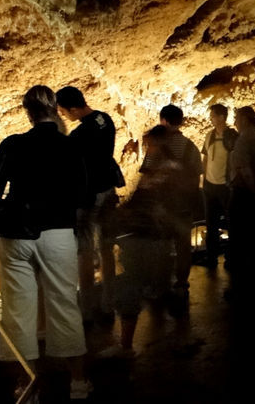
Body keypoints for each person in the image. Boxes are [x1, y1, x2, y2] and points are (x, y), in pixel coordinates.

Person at [0, 85, 91, 400]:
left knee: (18, 312)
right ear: (55, 110)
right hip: (57, 233)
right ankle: (79, 382)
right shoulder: (69, 147)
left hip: (16, 235)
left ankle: (25, 385)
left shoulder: (13, 145)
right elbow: (82, 193)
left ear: (27, 112)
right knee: (64, 305)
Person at [101, 126, 175, 359]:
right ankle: (160, 345)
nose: (147, 148)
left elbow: (149, 203)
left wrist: (123, 216)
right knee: (145, 286)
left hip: (146, 237)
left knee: (129, 288)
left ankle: (125, 346)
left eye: (150, 144)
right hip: (152, 236)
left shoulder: (163, 171)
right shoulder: (163, 168)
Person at [56, 86, 122, 323]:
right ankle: (109, 302)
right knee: (106, 248)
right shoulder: (105, 119)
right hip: (108, 190)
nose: (65, 116)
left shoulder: (79, 136)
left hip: (88, 197)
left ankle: (87, 308)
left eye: (64, 112)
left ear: (73, 108)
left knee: (83, 252)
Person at [141, 104, 203, 305]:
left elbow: (148, 173)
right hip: (184, 204)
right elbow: (197, 175)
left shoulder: (157, 144)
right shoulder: (190, 145)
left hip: (162, 205)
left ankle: (160, 287)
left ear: (164, 121)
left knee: (161, 246)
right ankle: (181, 285)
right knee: (183, 246)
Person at [227, 106, 255, 297]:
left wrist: (254, 193)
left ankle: (240, 287)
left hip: (244, 195)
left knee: (239, 240)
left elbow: (245, 170)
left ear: (244, 119)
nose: (234, 123)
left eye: (236, 118)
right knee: (254, 240)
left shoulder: (244, 140)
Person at [201, 104, 238, 268]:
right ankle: (211, 257)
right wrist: (203, 181)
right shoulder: (209, 135)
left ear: (222, 117)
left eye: (214, 115)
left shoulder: (232, 136)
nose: (211, 118)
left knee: (231, 224)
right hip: (210, 186)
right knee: (211, 224)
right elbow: (206, 158)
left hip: (225, 186)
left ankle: (231, 258)